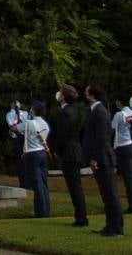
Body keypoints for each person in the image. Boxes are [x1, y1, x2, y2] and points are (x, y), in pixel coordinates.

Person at [82, 85, 124, 236]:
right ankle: (111, 224)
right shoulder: (97, 111)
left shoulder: (99, 112)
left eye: (87, 92)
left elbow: (101, 137)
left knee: (110, 193)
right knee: (107, 194)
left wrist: (94, 157)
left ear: (92, 95)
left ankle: (116, 227)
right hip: (101, 157)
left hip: (103, 158)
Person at [49, 84, 88, 227]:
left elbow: (63, 136)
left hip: (69, 153)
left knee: (74, 187)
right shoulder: (74, 111)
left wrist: (56, 150)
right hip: (75, 150)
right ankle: (81, 216)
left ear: (63, 97)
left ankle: (81, 218)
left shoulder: (65, 113)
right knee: (75, 186)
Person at [17, 100, 52, 218]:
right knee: (43, 183)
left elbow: (16, 128)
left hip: (32, 154)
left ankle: (41, 212)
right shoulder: (45, 124)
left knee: (37, 184)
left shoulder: (29, 123)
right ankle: (46, 209)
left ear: (34, 110)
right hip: (42, 152)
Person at [112, 95, 132, 213]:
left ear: (120, 102)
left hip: (122, 145)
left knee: (128, 177)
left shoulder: (119, 115)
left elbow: (112, 128)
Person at [7, 99, 29, 186]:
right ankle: (23, 182)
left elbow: (28, 123)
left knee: (26, 160)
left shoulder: (25, 113)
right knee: (20, 160)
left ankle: (27, 181)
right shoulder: (9, 114)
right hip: (17, 138)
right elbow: (12, 126)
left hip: (25, 137)